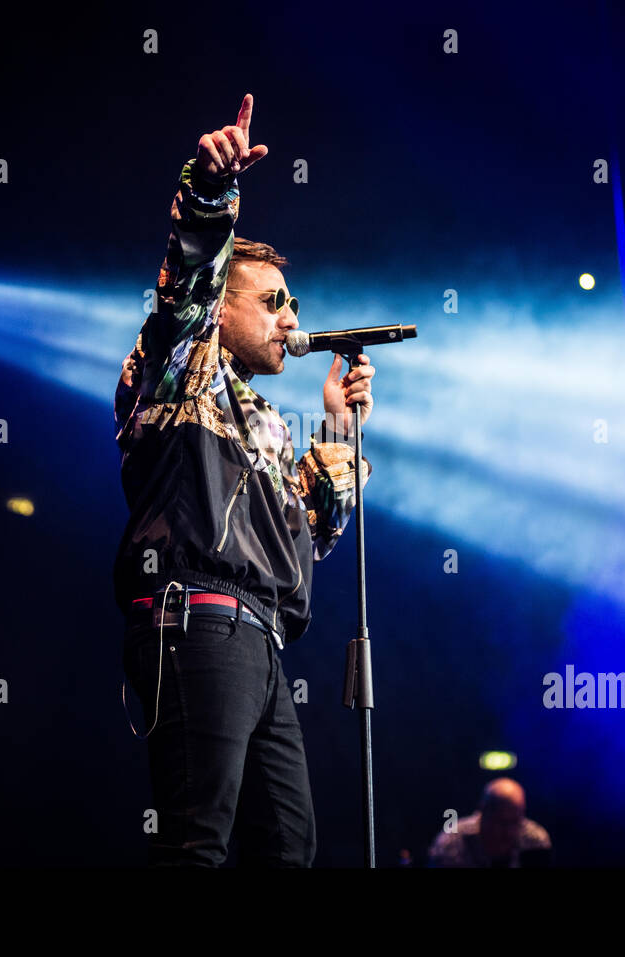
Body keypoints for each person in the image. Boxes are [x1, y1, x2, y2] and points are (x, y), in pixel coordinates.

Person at [114, 93, 376, 866]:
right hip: (197, 615)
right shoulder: (179, 372)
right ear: (220, 311)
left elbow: (305, 535)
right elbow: (187, 280)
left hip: (260, 637)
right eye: (271, 302)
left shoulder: (264, 420)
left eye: (293, 303)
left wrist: (338, 427)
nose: (291, 318)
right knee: (200, 838)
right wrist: (210, 189)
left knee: (287, 845)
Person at [427, 778, 554, 868]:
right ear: (483, 813)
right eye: (501, 822)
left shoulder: (535, 841)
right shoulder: (451, 843)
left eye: (515, 822)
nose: (508, 832)